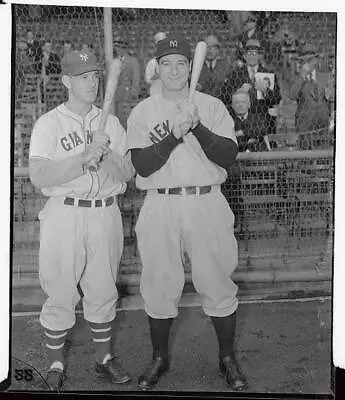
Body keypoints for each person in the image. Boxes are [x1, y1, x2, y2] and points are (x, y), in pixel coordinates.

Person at [126, 33, 247, 392]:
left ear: (190, 67)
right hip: (160, 203)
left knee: (217, 280)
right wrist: (174, 135)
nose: (175, 69)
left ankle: (227, 358)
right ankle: (160, 358)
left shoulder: (210, 106)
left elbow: (227, 155)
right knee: (159, 283)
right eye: (167, 63)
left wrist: (197, 127)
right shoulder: (143, 112)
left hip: (206, 201)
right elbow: (143, 166)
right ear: (157, 69)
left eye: (181, 63)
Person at [29, 49, 135, 391]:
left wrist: (105, 156)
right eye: (83, 77)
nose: (91, 83)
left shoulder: (113, 124)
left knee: (104, 287)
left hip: (105, 211)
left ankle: (103, 358)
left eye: (94, 76)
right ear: (66, 81)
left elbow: (128, 173)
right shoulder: (49, 123)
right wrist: (81, 157)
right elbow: (38, 174)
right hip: (65, 213)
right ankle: (56, 362)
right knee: (59, 288)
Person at [222, 90, 271, 228]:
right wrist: (249, 138)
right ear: (231, 105)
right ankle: (237, 219)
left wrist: (242, 133)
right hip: (236, 166)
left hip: (256, 163)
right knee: (231, 180)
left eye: (243, 102)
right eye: (236, 103)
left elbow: (261, 129)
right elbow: (227, 136)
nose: (240, 105)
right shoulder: (226, 119)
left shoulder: (258, 117)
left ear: (249, 104)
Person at [220, 39, 282, 137]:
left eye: (254, 53)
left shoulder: (269, 73)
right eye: (248, 53)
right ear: (244, 56)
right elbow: (224, 96)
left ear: (260, 56)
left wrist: (266, 91)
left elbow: (277, 99)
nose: (251, 56)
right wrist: (238, 92)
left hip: (263, 120)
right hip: (240, 121)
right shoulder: (235, 74)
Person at [289, 43, 335, 149]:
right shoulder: (296, 77)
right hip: (305, 127)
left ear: (316, 60)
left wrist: (332, 117)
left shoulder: (325, 76)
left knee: (324, 156)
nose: (308, 63)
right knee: (306, 158)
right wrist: (302, 76)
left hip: (323, 125)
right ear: (301, 62)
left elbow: (331, 99)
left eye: (311, 60)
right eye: (305, 60)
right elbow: (292, 95)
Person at [113, 36, 140, 125]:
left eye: (118, 47)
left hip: (127, 95)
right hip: (115, 95)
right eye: (116, 47)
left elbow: (136, 79)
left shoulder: (132, 61)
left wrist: (133, 93)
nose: (116, 49)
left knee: (127, 121)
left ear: (123, 48)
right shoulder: (113, 61)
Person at [197, 34, 230, 99]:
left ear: (218, 50)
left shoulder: (226, 67)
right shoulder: (196, 66)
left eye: (213, 47)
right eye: (207, 47)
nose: (210, 50)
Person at [144, 31, 167, 96]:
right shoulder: (152, 63)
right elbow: (147, 79)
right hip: (156, 93)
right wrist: (154, 77)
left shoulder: (173, 60)